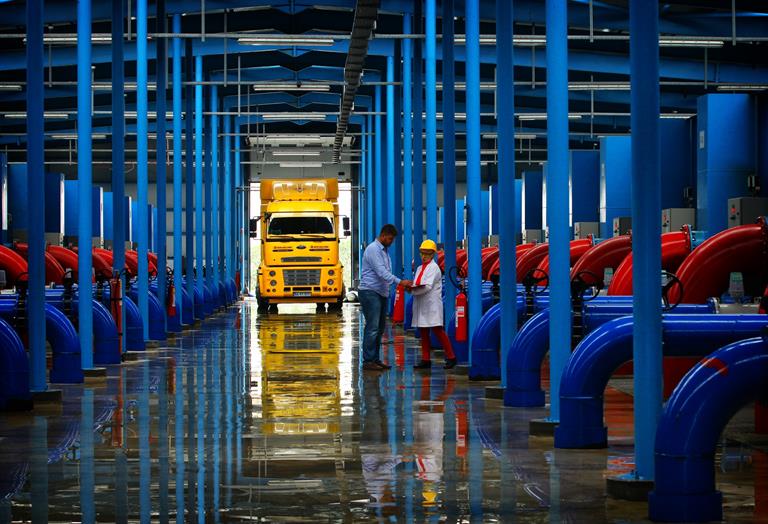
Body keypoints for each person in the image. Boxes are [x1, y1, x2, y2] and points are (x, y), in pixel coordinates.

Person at [359, 224, 412, 371]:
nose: (391, 242)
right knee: (373, 327)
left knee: (379, 328)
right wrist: (400, 282)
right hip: (370, 292)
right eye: (390, 238)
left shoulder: (384, 252)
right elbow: (382, 272)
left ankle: (375, 359)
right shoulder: (373, 250)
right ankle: (368, 360)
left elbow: (385, 274)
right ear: (383, 235)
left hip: (380, 293)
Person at [407, 239, 457, 369]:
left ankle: (451, 357)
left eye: (428, 254)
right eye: (423, 253)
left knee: (438, 331)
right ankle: (425, 359)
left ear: (433, 254)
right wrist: (412, 288)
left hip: (431, 305)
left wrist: (412, 290)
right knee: (423, 331)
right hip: (422, 304)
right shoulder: (419, 268)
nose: (424, 256)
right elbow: (418, 284)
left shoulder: (434, 268)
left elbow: (427, 287)